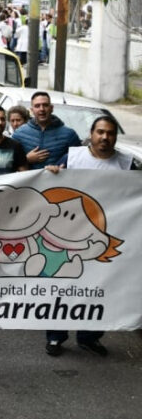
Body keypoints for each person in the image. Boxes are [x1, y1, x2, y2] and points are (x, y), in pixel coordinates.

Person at [44, 116, 136, 357]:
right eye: (100, 132)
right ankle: (55, 336)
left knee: (100, 287)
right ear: (92, 134)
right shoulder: (73, 157)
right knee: (64, 287)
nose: (105, 137)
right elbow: (54, 178)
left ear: (115, 137)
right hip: (70, 236)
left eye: (110, 133)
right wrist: (52, 171)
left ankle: (89, 336)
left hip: (107, 237)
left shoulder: (127, 165)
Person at [11, 91, 81, 169]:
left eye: (45, 105)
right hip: (29, 181)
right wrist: (26, 159)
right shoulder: (19, 134)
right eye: (37, 106)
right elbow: (8, 165)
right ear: (32, 110)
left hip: (57, 180)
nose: (42, 109)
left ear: (51, 108)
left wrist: (62, 168)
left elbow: (79, 163)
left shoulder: (69, 135)